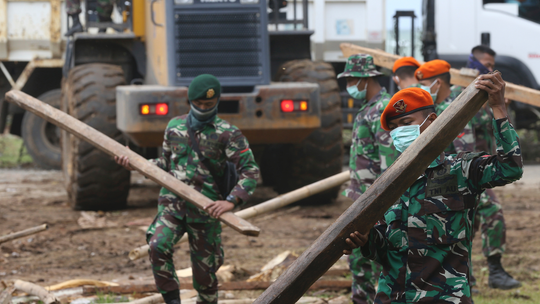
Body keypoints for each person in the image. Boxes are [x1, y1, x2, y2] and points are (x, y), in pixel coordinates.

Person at [343, 75, 523, 303]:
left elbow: (510, 168)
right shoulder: (385, 185)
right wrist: (366, 240)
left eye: (406, 123)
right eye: (395, 128)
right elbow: (385, 252)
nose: (399, 132)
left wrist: (498, 107)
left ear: (431, 121)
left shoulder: (461, 171)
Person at [115, 74, 260, 304]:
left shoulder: (228, 133)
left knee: (205, 274)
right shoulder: (174, 127)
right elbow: (163, 165)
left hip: (207, 210)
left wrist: (231, 201)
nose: (203, 109)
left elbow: (250, 170)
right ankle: (172, 299)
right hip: (172, 206)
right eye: (198, 104)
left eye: (208, 105)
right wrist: (135, 164)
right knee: (157, 246)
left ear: (217, 103)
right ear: (190, 102)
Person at [456, 45, 521, 290]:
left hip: (482, 166)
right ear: (473, 62)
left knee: (468, 222)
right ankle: (493, 270)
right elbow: (464, 140)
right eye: (487, 64)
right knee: (490, 209)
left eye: (493, 65)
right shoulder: (461, 93)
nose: (491, 69)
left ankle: (467, 278)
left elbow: (500, 129)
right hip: (466, 168)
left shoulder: (485, 96)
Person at [339, 54, 399, 304]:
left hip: (374, 201)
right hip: (362, 197)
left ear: (365, 79)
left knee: (364, 261)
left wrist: (379, 206)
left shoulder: (381, 110)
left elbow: (390, 165)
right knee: (358, 261)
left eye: (352, 80)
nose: (349, 86)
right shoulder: (370, 108)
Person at [415, 59, 475, 153]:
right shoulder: (432, 107)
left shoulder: (455, 110)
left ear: (438, 83)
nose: (421, 89)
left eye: (423, 85)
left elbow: (465, 154)